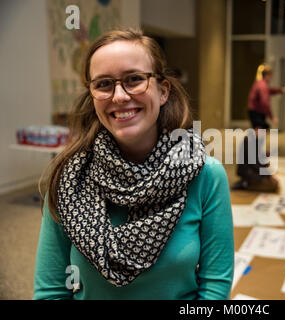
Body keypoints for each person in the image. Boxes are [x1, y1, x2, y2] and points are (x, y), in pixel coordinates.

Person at [34, 29, 234, 299]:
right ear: (92, 97)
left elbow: (214, 286)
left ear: (163, 91)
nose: (119, 96)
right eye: (104, 84)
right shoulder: (69, 179)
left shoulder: (205, 174)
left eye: (134, 79)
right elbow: (52, 291)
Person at [232, 127, 279, 193]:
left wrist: (264, 154)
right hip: (248, 171)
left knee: (274, 184)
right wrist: (269, 176)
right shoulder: (249, 141)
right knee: (273, 186)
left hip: (252, 169)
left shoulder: (256, 140)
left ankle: (247, 182)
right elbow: (254, 163)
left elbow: (257, 157)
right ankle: (245, 184)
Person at [248, 64, 285, 129]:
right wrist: (272, 117)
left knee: (260, 132)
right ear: (267, 75)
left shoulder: (260, 83)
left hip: (255, 111)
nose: (271, 77)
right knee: (259, 132)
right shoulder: (263, 85)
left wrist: (281, 90)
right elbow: (265, 103)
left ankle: (250, 139)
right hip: (256, 112)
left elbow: (269, 91)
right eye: (271, 75)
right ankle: (247, 139)